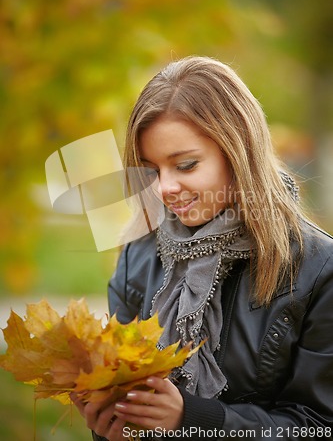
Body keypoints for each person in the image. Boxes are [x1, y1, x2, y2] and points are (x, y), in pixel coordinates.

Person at [71, 56, 333, 440]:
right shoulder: (138, 255)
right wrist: (115, 424)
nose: (163, 189)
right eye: (152, 170)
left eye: (186, 165)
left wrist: (194, 418)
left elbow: (319, 427)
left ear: (239, 152)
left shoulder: (317, 270)